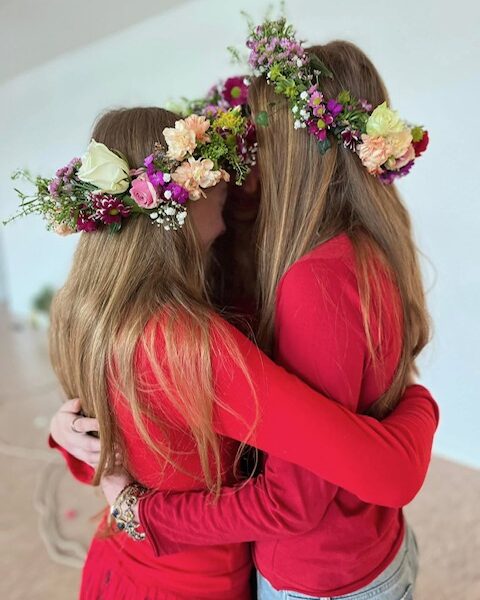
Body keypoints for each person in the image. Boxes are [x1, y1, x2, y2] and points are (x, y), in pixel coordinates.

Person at [70, 19, 435, 600]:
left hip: (173, 569)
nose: (239, 170)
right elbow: (368, 474)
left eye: (253, 141)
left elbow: (119, 440)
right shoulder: (188, 338)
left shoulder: (94, 308)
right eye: (218, 163)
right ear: (177, 199)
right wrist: (421, 404)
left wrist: (74, 443)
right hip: (193, 578)